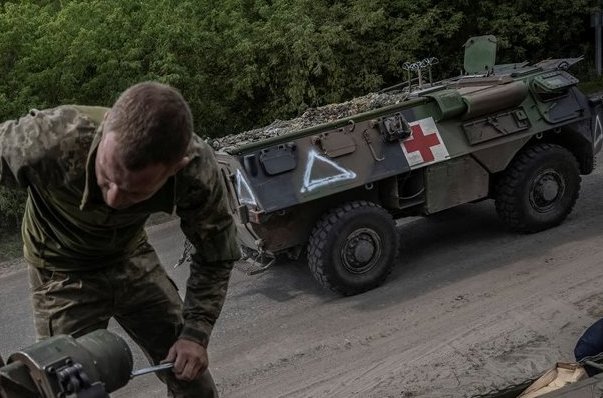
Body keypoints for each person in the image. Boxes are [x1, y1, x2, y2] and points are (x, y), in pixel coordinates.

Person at [0, 82, 240, 397]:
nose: (114, 198)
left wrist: (196, 334)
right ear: (106, 130)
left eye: (134, 192)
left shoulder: (194, 171)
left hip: (130, 257)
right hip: (61, 272)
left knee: (191, 378)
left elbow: (216, 253)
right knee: (68, 389)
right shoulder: (50, 139)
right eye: (107, 177)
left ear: (175, 168)